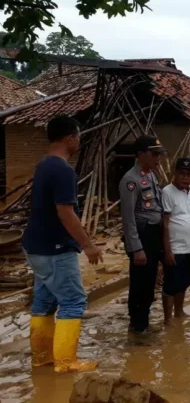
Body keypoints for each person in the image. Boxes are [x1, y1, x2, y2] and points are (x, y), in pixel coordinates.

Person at [24, 115, 103, 374]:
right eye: (78, 137)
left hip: (36, 246)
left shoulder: (43, 164)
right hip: (56, 248)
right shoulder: (63, 169)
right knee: (73, 301)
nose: (79, 141)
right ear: (70, 138)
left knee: (44, 302)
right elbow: (65, 213)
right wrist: (88, 245)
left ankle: (42, 358)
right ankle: (66, 362)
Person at [119, 135, 166, 334]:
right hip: (142, 235)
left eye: (160, 154)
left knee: (149, 282)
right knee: (140, 283)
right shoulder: (131, 180)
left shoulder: (151, 175)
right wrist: (136, 248)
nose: (159, 158)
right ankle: (138, 327)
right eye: (154, 154)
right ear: (140, 155)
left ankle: (142, 322)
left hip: (153, 234)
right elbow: (128, 218)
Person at [162, 157, 190, 324]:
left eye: (189, 174)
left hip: (189, 248)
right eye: (182, 173)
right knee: (170, 285)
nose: (185, 177)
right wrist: (167, 250)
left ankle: (179, 312)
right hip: (175, 249)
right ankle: (168, 319)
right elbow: (165, 223)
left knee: (184, 282)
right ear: (175, 173)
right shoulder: (168, 192)